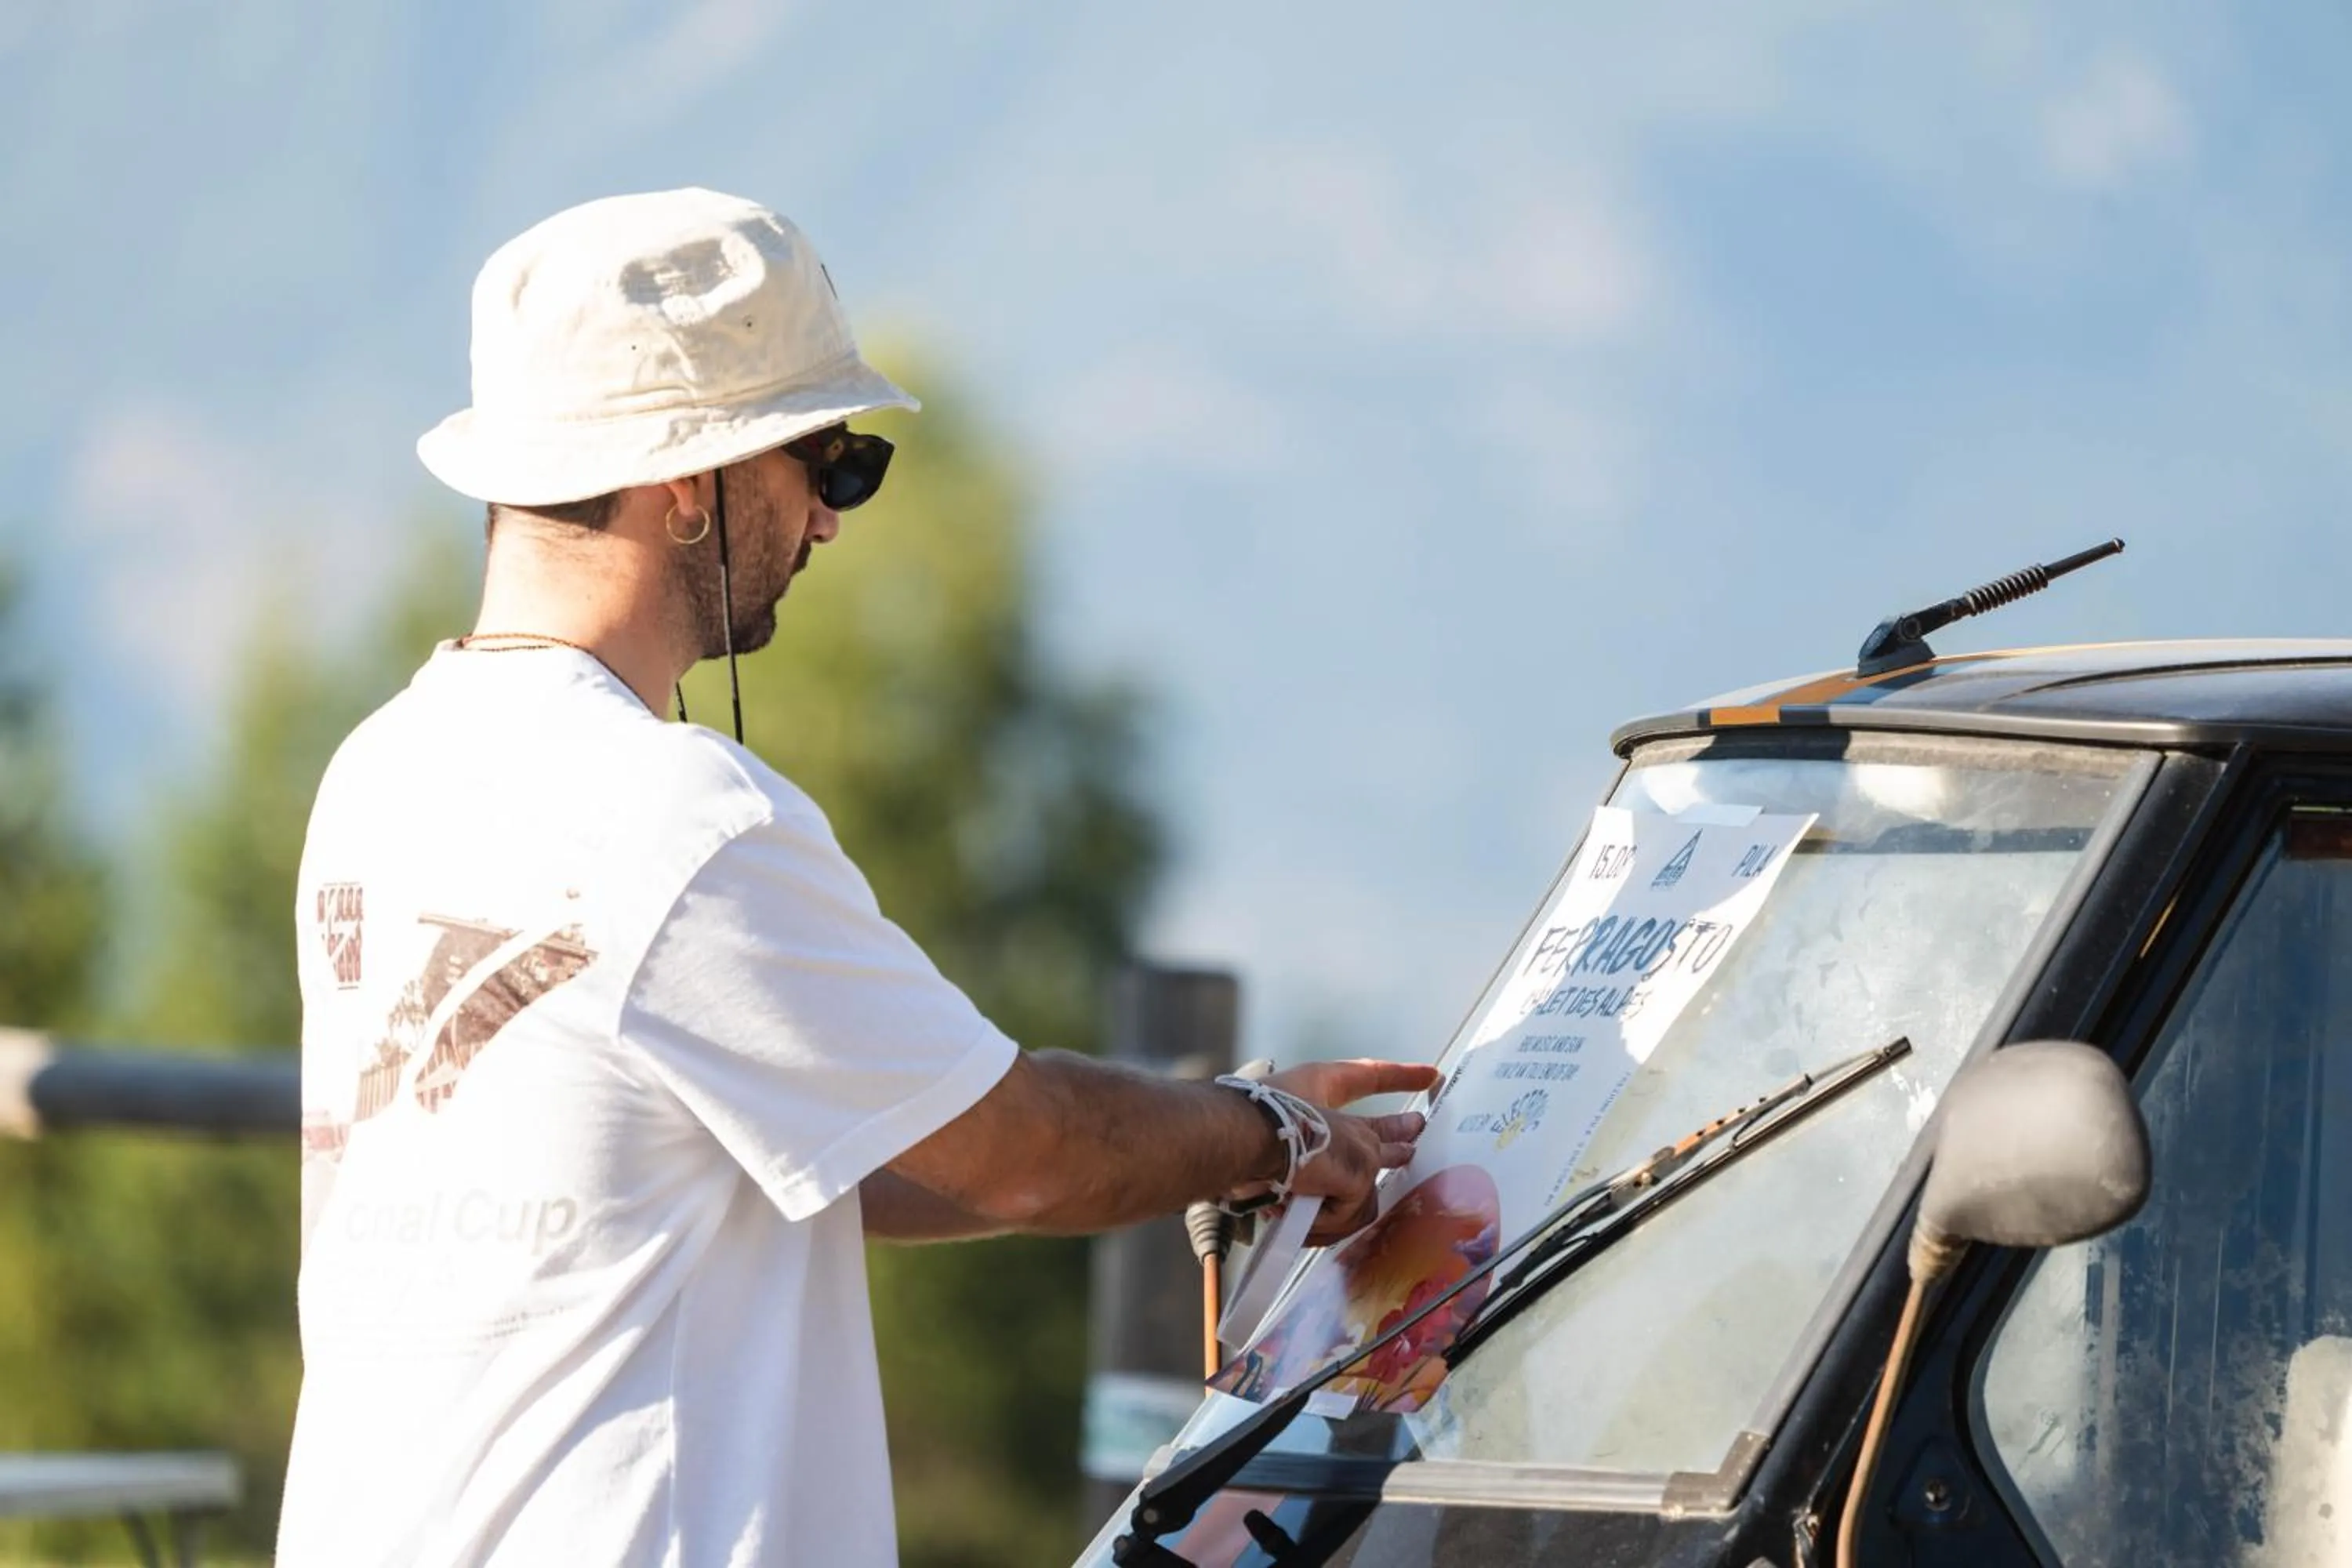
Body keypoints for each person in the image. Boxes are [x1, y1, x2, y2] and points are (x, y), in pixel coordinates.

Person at [274, 187, 1439, 1567]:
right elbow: (1024, 1154)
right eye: (826, 461)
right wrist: (1271, 1136)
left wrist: (1210, 1129)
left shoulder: (379, 775)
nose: (831, 521)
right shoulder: (675, 816)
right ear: (686, 482)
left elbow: (854, 1158)